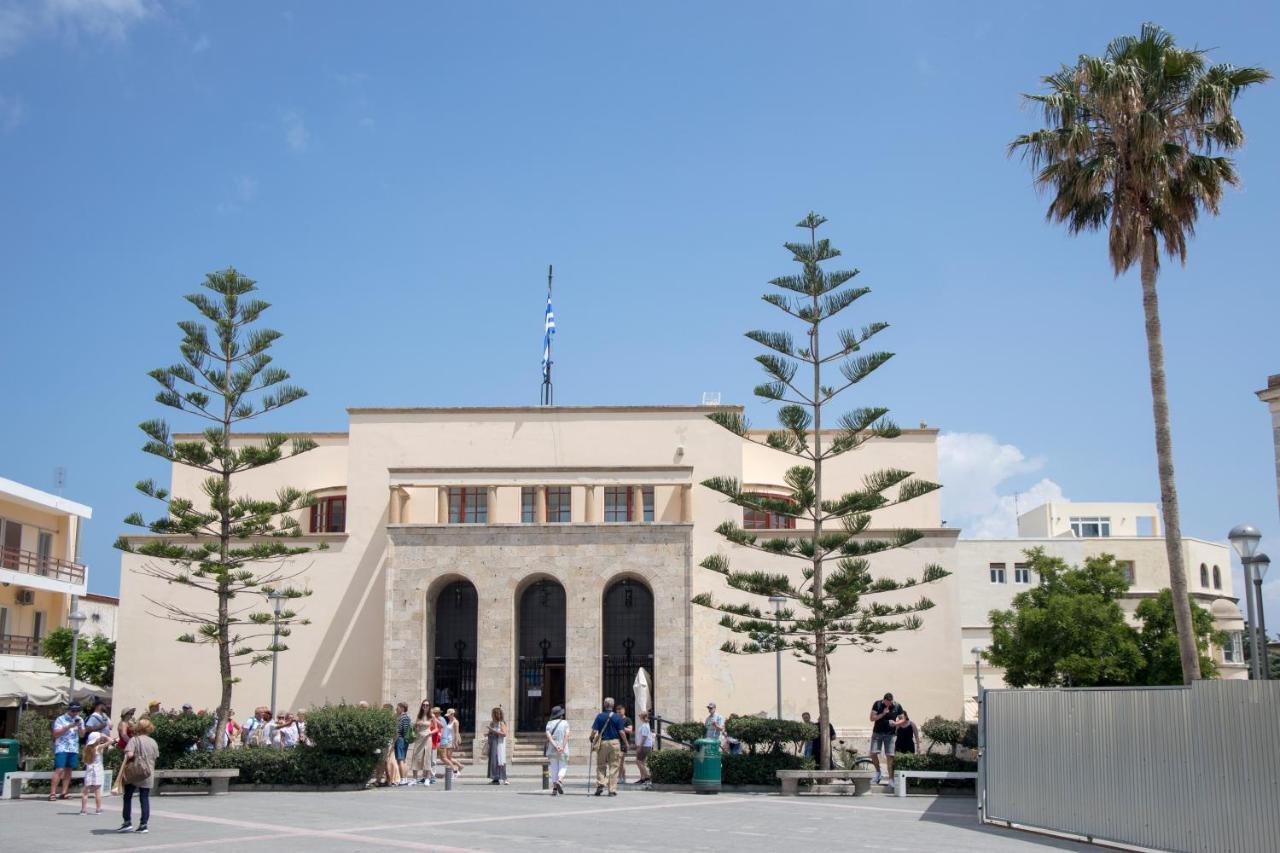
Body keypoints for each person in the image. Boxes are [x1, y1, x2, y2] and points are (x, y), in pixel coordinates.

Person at [118, 717, 159, 834]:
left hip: (134, 773)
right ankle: (143, 824)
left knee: (128, 796)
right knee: (144, 798)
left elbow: (129, 754)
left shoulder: (134, 740)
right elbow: (155, 756)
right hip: (148, 773)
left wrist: (126, 753)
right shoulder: (153, 742)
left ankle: (127, 822)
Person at [590, 697, 627, 796]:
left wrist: (591, 737)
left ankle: (601, 784)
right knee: (614, 766)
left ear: (604, 705)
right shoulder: (617, 717)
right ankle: (612, 790)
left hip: (603, 743)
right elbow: (621, 732)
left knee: (601, 765)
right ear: (613, 705)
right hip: (615, 743)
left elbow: (594, 731)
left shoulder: (600, 716)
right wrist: (626, 743)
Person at [50, 701, 85, 801]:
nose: (75, 712)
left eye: (77, 710)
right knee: (59, 769)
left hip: (73, 748)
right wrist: (68, 726)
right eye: (73, 710)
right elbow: (55, 733)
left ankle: (64, 792)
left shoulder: (80, 719)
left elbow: (82, 735)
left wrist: (79, 728)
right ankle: (52, 793)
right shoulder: (60, 719)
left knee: (69, 770)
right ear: (69, 710)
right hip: (62, 747)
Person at [869, 692, 904, 785]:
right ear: (884, 700)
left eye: (890, 702)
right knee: (873, 753)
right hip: (877, 733)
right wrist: (883, 713)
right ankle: (878, 772)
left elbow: (903, 719)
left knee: (890, 756)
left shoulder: (897, 706)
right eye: (887, 702)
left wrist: (896, 723)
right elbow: (872, 718)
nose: (889, 704)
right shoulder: (877, 704)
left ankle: (891, 779)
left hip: (890, 735)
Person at [80, 726, 109, 815]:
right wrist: (105, 736)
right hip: (97, 771)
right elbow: (111, 741)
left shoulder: (86, 749)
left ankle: (83, 810)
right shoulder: (98, 748)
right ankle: (98, 809)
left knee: (86, 791)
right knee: (97, 791)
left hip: (89, 771)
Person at [544, 705, 569, 795]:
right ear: (561, 714)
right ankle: (560, 780)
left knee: (553, 768)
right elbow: (567, 736)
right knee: (563, 766)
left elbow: (549, 737)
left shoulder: (549, 724)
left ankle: (554, 788)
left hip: (551, 750)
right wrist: (561, 746)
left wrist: (555, 746)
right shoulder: (565, 723)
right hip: (563, 750)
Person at [410, 701, 436, 784]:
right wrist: (417, 724)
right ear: (422, 706)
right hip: (419, 737)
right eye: (424, 705)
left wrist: (430, 733)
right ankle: (414, 778)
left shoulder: (432, 716)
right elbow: (415, 726)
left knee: (427, 757)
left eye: (427, 705)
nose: (425, 706)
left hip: (427, 738)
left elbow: (436, 728)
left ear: (429, 706)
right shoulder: (419, 715)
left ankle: (427, 778)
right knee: (416, 756)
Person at [486, 707, 509, 784]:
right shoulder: (492, 723)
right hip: (493, 743)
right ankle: (495, 778)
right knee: (493, 761)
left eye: (492, 713)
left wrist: (493, 731)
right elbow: (491, 732)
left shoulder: (501, 723)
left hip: (499, 743)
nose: (491, 715)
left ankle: (505, 778)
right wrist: (488, 733)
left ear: (496, 714)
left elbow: (504, 734)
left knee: (500, 760)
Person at [439, 708, 464, 775]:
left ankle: (457, 767)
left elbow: (456, 732)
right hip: (448, 740)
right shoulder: (450, 721)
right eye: (448, 715)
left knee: (448, 757)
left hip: (451, 741)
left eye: (449, 715)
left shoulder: (455, 722)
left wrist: (456, 743)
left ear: (452, 714)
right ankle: (459, 766)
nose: (448, 716)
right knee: (448, 757)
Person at [614, 704, 634, 783]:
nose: (619, 713)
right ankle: (623, 777)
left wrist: (621, 727)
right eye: (617, 711)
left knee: (620, 761)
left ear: (623, 711)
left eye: (620, 711)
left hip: (623, 743)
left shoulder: (627, 720)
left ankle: (620, 777)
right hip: (615, 742)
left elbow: (630, 730)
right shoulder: (615, 719)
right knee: (620, 761)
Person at [394, 702, 412, 784]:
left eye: (397, 707)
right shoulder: (405, 717)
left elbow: (402, 730)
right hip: (403, 740)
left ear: (402, 708)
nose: (396, 709)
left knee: (400, 759)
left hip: (401, 739)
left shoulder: (403, 717)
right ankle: (404, 778)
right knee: (403, 760)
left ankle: (403, 778)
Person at [634, 711, 654, 784]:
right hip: (645, 746)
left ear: (643, 717)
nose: (639, 717)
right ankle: (642, 778)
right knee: (642, 762)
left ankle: (647, 776)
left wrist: (640, 746)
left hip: (645, 746)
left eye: (640, 716)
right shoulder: (645, 725)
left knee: (638, 761)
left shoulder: (645, 725)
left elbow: (644, 737)